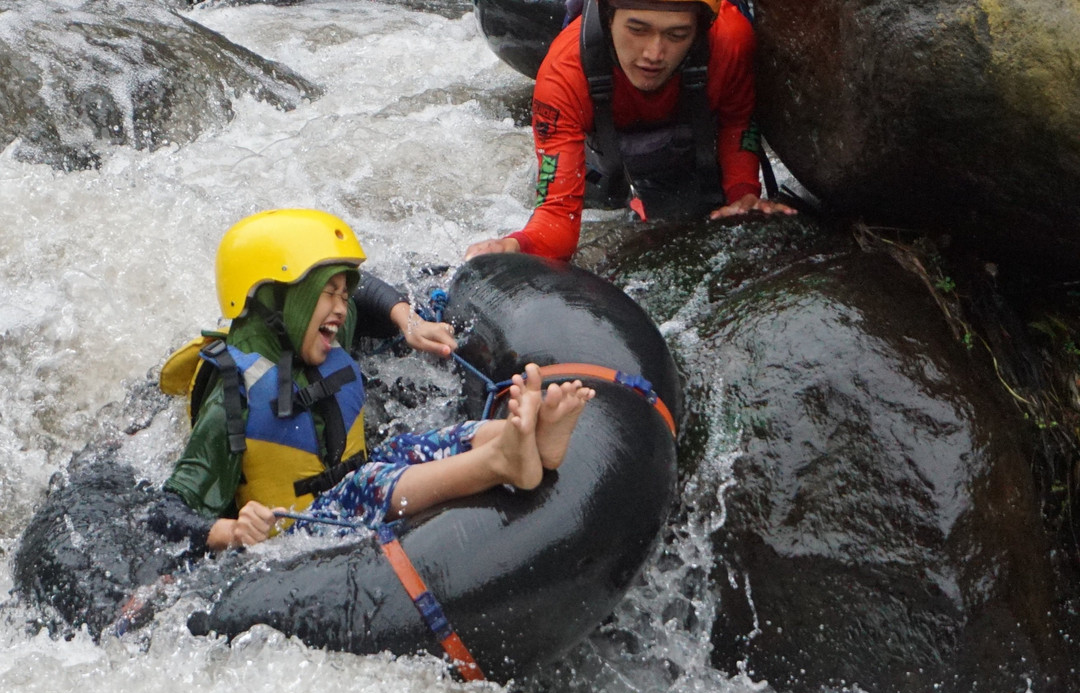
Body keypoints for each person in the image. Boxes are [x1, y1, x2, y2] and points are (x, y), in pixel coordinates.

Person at [154, 208, 595, 554]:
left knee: (425, 444)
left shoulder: (314, 330)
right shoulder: (233, 390)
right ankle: (500, 462)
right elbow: (168, 509)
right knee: (367, 484)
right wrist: (229, 530)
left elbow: (367, 298)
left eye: (342, 294)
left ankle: (529, 440)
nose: (342, 308)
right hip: (299, 531)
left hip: (352, 480)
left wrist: (407, 321)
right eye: (328, 293)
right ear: (276, 298)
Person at [465, 0, 795, 263]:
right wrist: (516, 246)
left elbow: (737, 122)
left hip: (689, 153)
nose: (654, 53)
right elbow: (556, 218)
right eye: (637, 29)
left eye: (677, 35)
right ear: (609, 18)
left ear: (699, 30)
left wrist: (743, 195)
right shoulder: (563, 74)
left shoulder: (731, 40)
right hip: (602, 164)